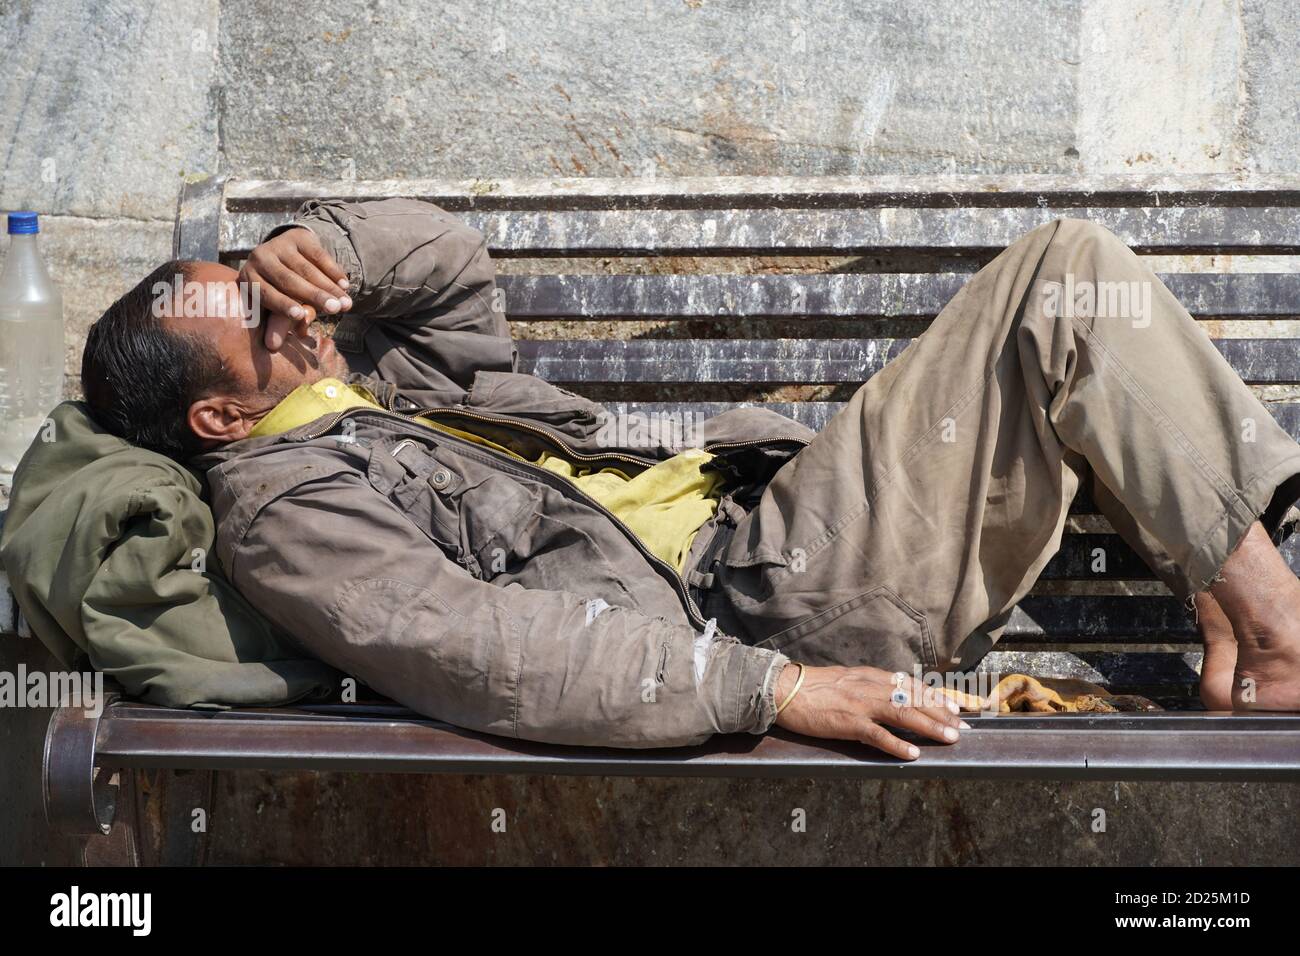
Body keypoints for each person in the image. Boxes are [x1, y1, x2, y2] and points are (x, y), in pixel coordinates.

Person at [79, 199, 1300, 759]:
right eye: (244, 305)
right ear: (220, 412)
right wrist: (770, 688)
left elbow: (449, 263)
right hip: (759, 601)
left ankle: (1237, 587)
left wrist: (324, 243)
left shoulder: (378, 372)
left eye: (249, 272)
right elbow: (482, 644)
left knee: (1065, 282)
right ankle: (1275, 630)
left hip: (767, 519)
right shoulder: (288, 510)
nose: (274, 297)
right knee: (1060, 279)